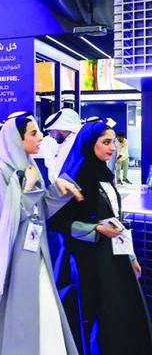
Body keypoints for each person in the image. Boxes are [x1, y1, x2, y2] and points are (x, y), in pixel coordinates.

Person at [0, 114, 83, 355]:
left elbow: (41, 208)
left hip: (35, 251)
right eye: (33, 133)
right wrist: (28, 186)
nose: (41, 138)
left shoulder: (30, 167)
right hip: (11, 253)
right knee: (12, 307)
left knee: (43, 307)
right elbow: (11, 215)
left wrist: (60, 189)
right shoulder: (0, 170)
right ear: (17, 138)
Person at [48, 122, 152, 355]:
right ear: (89, 144)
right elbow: (57, 224)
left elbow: (115, 218)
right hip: (86, 262)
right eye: (106, 142)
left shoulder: (105, 176)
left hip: (113, 256)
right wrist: (95, 229)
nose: (113, 148)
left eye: (113, 142)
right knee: (93, 316)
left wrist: (130, 255)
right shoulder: (72, 179)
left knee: (119, 312)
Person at [41, 108, 80, 182]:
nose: (51, 136)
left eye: (51, 132)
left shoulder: (74, 143)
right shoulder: (67, 142)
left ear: (61, 128)